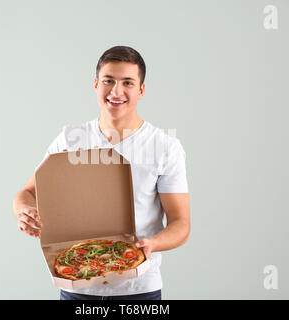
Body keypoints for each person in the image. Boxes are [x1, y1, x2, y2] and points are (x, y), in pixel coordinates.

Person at [12, 46, 190, 300]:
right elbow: (27, 193)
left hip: (139, 289)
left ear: (141, 90)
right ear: (95, 84)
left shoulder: (164, 146)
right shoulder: (71, 139)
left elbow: (181, 224)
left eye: (128, 82)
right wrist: (24, 211)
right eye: (108, 81)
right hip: (76, 284)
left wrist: (152, 244)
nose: (116, 91)